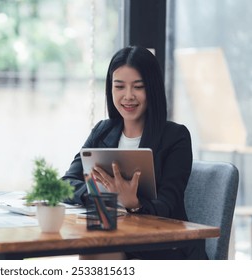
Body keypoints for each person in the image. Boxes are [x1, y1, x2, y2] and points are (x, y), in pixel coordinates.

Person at [62, 45, 208, 260]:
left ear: (152, 89)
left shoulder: (175, 137)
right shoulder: (103, 131)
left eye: (138, 87)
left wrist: (134, 203)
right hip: (113, 234)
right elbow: (67, 183)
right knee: (94, 247)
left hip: (165, 247)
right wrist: (102, 196)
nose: (128, 96)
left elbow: (169, 204)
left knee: (97, 251)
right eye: (119, 86)